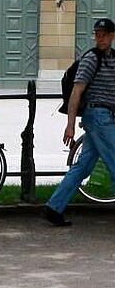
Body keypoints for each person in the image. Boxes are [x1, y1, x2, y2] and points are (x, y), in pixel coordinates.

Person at [44, 18, 115, 227]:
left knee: (83, 166)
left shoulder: (112, 58)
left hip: (105, 116)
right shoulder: (91, 59)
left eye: (104, 34)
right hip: (98, 116)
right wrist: (70, 125)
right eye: (97, 34)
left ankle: (54, 207)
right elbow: (76, 92)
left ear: (112, 36)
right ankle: (54, 207)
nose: (100, 38)